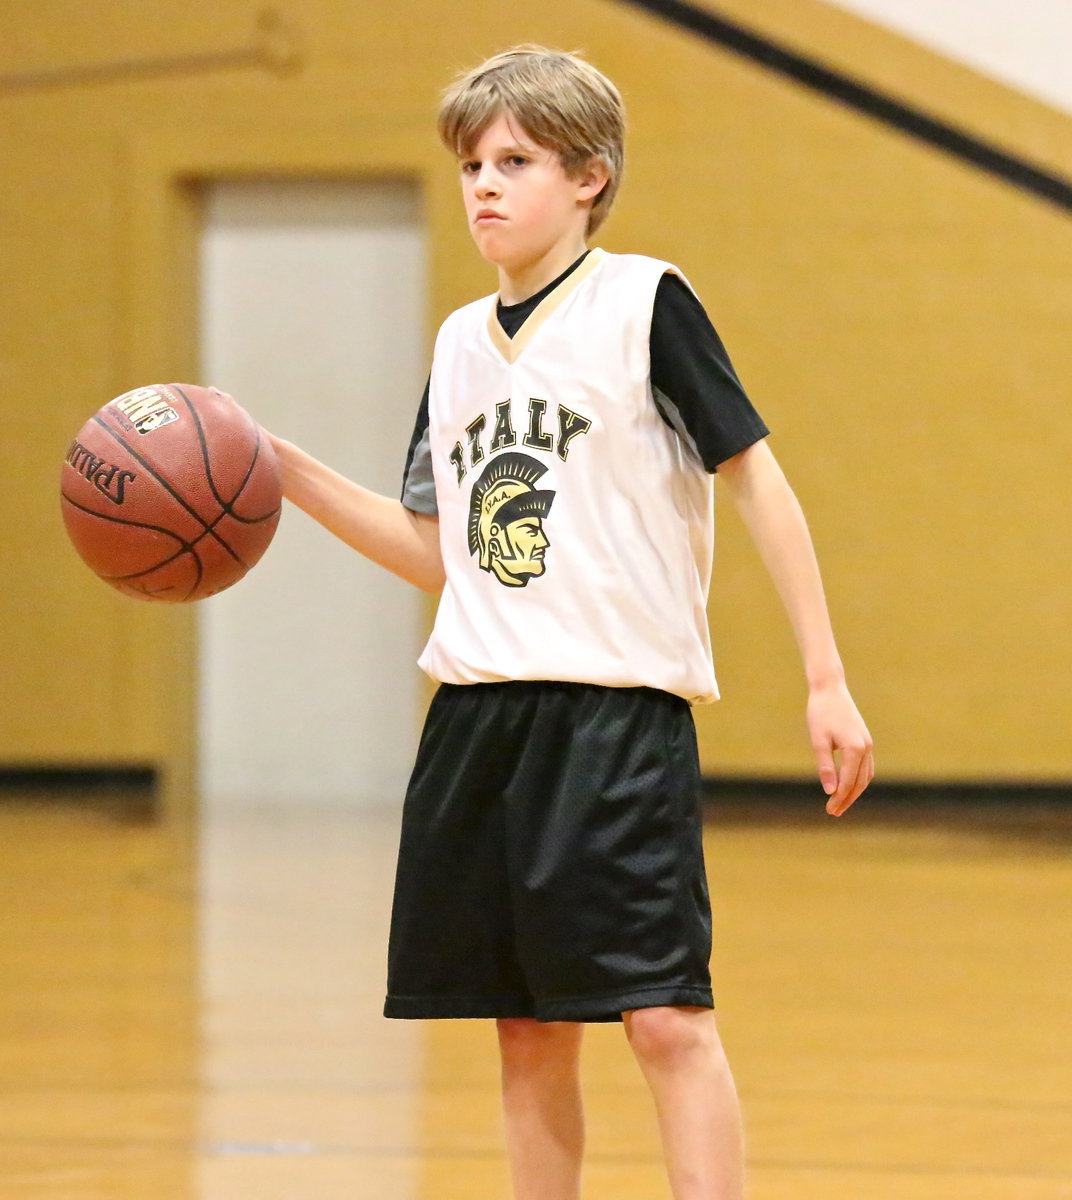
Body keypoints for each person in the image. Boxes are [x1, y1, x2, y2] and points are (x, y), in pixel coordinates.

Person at [265, 45, 873, 1200]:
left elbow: (758, 482)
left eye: (515, 161)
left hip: (614, 718)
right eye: (471, 165)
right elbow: (439, 555)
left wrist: (823, 677)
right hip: (478, 720)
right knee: (526, 1028)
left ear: (589, 177)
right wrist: (288, 471)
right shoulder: (455, 347)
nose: (483, 185)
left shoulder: (645, 302)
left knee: (664, 1019)